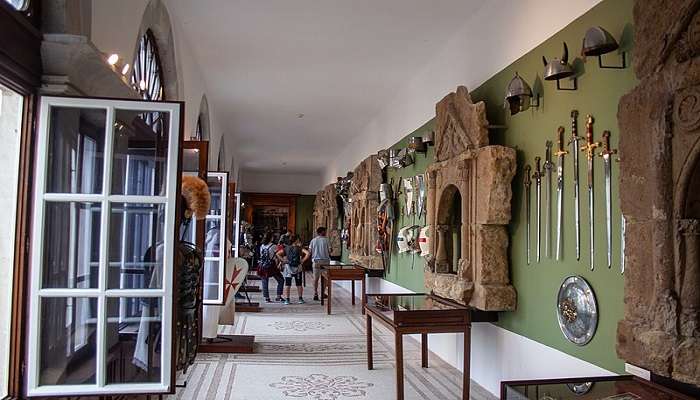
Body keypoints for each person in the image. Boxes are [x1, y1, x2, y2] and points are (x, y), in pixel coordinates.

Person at [276, 234, 310, 304]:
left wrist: (283, 260)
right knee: (299, 284)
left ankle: (287, 300)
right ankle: (300, 299)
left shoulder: (286, 248)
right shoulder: (299, 248)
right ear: (296, 240)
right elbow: (308, 253)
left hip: (288, 268)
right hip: (298, 268)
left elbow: (277, 254)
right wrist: (302, 260)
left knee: (288, 284)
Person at [258, 233, 284, 302]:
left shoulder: (262, 246)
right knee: (281, 280)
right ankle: (279, 296)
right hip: (271, 266)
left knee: (264, 282)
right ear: (271, 238)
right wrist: (279, 265)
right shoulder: (273, 246)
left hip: (262, 265)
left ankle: (267, 298)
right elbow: (276, 257)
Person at [309, 226, 331, 301]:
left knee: (315, 278)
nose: (326, 232)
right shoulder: (326, 240)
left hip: (316, 261)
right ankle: (322, 292)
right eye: (325, 231)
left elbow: (310, 251)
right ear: (322, 232)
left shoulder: (313, 240)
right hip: (325, 261)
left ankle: (315, 293)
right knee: (325, 278)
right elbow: (330, 250)